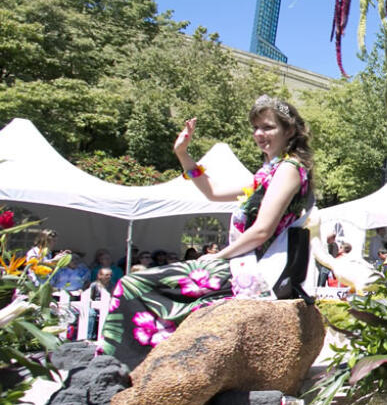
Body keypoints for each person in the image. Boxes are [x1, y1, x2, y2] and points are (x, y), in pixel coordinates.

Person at [102, 95, 316, 362]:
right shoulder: (267, 173)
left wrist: (218, 256)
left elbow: (262, 230)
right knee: (139, 284)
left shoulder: (288, 169)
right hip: (243, 263)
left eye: (268, 127)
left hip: (256, 269)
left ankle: (121, 363)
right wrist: (183, 154)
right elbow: (212, 192)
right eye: (256, 128)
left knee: (134, 283)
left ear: (290, 131)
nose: (259, 134)